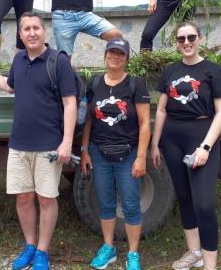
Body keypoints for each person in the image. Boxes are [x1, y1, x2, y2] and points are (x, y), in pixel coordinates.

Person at [0, 12, 76, 270]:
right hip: (19, 144)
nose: (32, 33)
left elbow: (70, 103)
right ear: (21, 34)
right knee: (24, 198)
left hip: (49, 144)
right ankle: (29, 245)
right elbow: (9, 85)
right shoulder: (18, 59)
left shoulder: (58, 61)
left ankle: (42, 252)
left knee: (46, 199)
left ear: (43, 31)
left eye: (36, 28)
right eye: (26, 29)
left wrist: (67, 141)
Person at [151, 21, 221, 270]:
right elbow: (162, 109)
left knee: (204, 203)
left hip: (200, 136)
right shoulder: (170, 71)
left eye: (191, 37)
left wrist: (205, 147)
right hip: (172, 137)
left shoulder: (213, 71)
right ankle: (194, 252)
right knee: (184, 197)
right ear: (176, 42)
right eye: (181, 38)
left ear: (200, 39)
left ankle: (210, 264)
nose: (186, 43)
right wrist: (155, 144)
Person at [80, 38, 151, 270]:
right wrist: (84, 150)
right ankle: (108, 248)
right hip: (98, 152)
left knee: (131, 203)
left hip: (128, 153)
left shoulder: (135, 84)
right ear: (105, 55)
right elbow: (88, 119)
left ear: (127, 58)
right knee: (105, 202)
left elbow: (144, 124)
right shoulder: (95, 82)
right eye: (111, 52)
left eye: (120, 53)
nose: (115, 56)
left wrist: (141, 157)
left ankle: (132, 253)